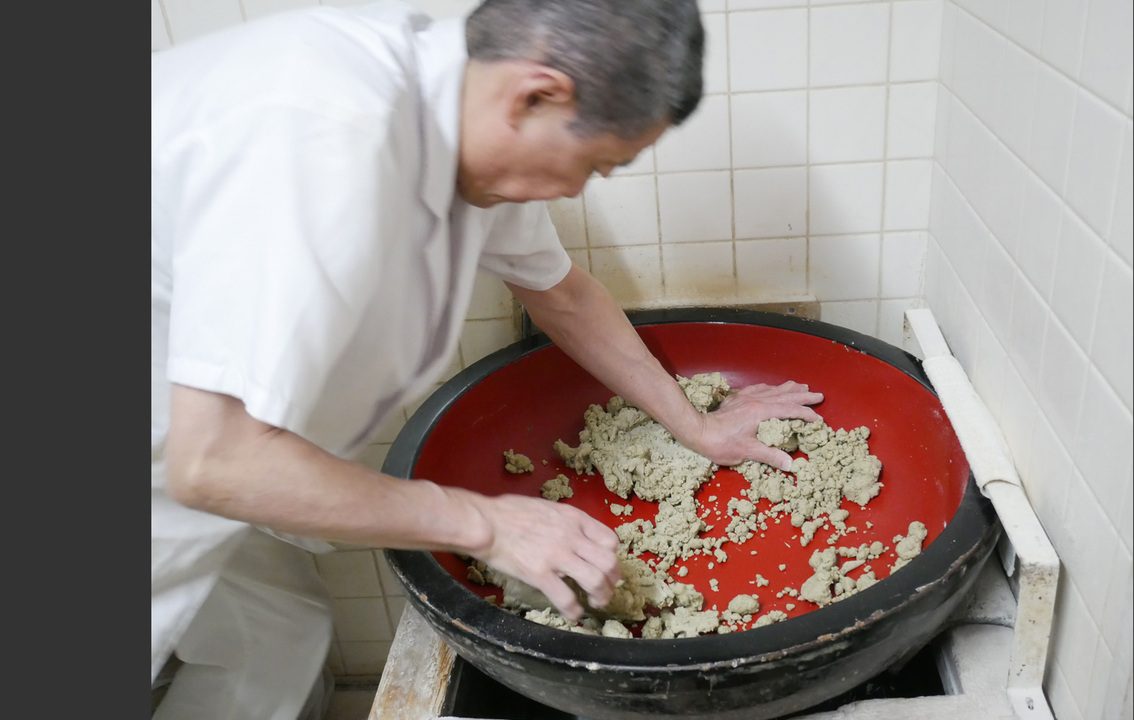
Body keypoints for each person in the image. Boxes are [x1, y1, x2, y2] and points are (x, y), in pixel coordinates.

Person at [151, 1, 824, 718]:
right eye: (597, 163)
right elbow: (214, 462)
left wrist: (697, 427)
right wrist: (487, 524)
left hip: (204, 445)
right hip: (172, 450)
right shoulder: (319, 134)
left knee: (274, 636)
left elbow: (561, 296)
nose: (575, 189)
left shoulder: (470, 123)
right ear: (537, 95)